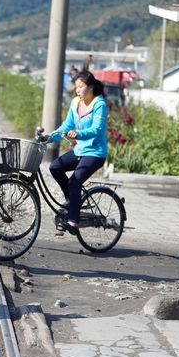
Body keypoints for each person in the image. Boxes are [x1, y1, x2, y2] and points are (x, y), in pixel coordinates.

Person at [47, 70, 108, 234]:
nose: (78, 90)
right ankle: (71, 200)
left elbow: (97, 129)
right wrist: (49, 137)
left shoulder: (99, 105)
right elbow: (67, 126)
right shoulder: (75, 102)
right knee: (55, 167)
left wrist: (79, 134)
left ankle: (73, 220)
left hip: (95, 153)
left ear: (91, 86)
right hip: (80, 150)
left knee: (75, 181)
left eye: (81, 87)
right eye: (76, 87)